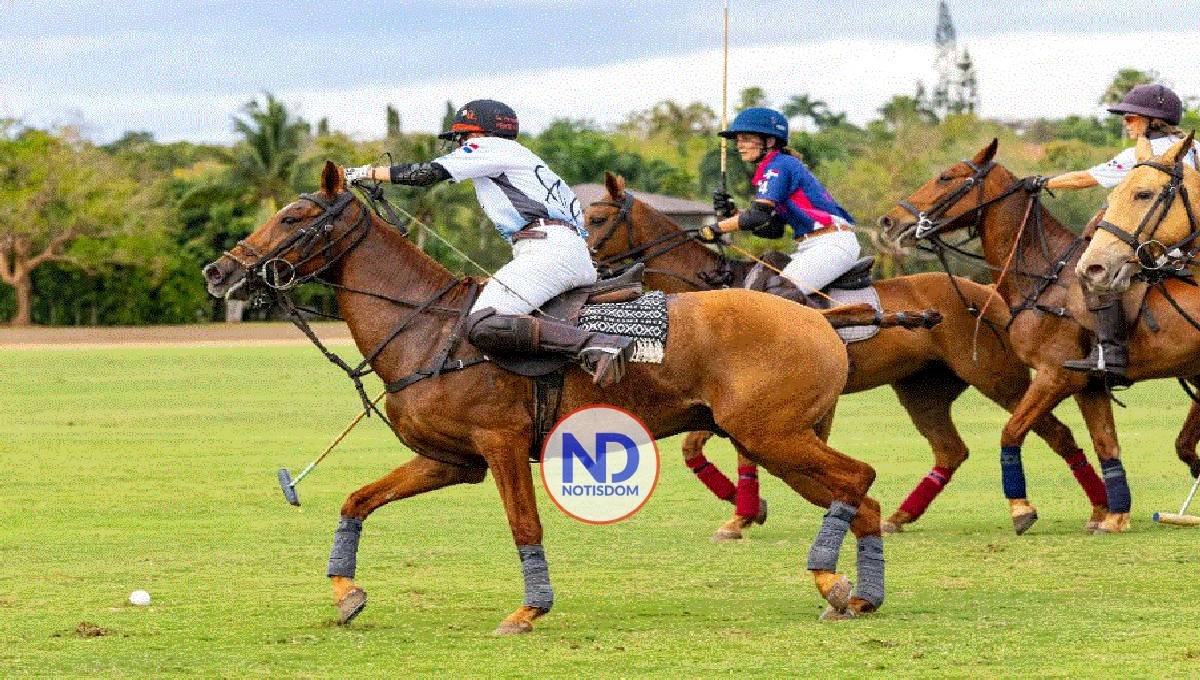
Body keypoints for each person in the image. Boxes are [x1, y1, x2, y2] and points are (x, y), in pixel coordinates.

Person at [344, 99, 634, 387]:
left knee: (482, 322)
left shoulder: (491, 149)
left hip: (549, 251)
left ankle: (598, 343)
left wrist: (363, 172)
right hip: (566, 252)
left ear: (479, 134)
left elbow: (426, 173)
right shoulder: (526, 159)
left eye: (463, 137)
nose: (461, 146)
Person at [1031, 84, 1199, 382]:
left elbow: (1085, 178)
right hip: (1187, 248)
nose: (1126, 123)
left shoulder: (1140, 156)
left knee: (1097, 273)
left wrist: (1042, 183)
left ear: (1153, 121)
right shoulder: (1195, 149)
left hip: (1156, 246)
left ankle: (1109, 353)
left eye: (1131, 118)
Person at [700, 107, 859, 301]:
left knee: (776, 299)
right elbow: (773, 229)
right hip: (814, 244)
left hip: (831, 243)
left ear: (770, 141)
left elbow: (758, 216)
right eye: (738, 139)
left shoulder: (779, 165)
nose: (739, 145)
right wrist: (734, 213)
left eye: (746, 139)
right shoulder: (776, 167)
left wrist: (715, 229)